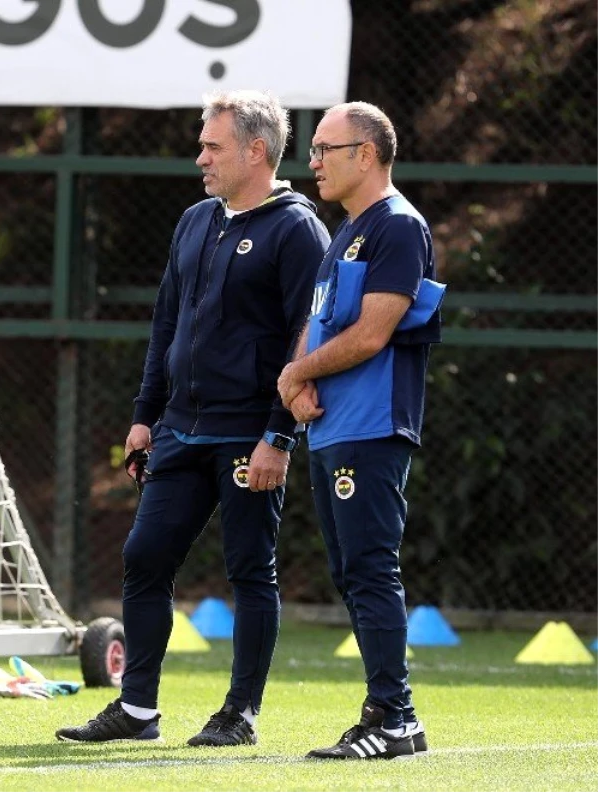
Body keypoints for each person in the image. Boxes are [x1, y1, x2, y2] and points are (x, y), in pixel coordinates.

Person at [56, 91, 329, 746]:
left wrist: (277, 435)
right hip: (180, 426)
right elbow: (166, 325)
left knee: (247, 569)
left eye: (213, 146)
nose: (199, 157)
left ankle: (240, 714)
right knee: (144, 555)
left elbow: (306, 339)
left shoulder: (297, 230)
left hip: (248, 433)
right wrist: (145, 415)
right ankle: (138, 711)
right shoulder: (194, 221)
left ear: (256, 151)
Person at [277, 101, 443, 760]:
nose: (312, 161)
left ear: (366, 154)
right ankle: (388, 714)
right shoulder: (345, 232)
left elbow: (372, 334)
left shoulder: (397, 227)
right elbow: (322, 331)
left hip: (372, 425)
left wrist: (295, 374)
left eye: (325, 148)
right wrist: (300, 381)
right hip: (333, 427)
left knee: (370, 569)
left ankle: (394, 718)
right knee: (353, 571)